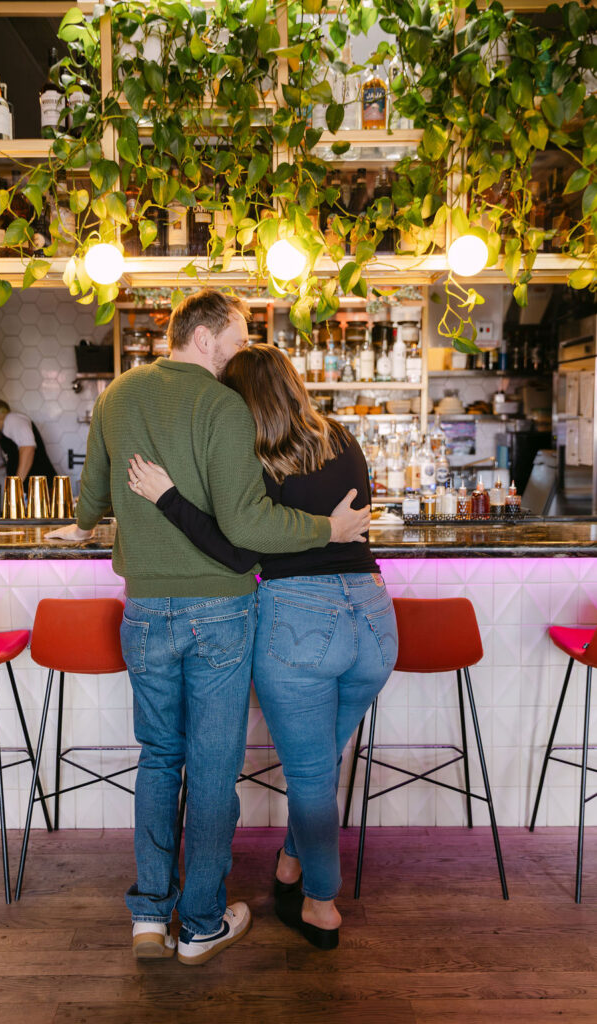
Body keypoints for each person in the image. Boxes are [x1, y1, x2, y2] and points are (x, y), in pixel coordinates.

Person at [45, 290, 370, 965]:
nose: (241, 345)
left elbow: (95, 497)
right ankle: (198, 924)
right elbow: (249, 527)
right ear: (208, 333)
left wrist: (78, 526)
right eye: (239, 331)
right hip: (220, 609)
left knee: (159, 758)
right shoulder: (224, 406)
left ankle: (146, 918)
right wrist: (327, 528)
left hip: (143, 608)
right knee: (214, 769)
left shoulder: (116, 397)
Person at [127, 343, 398, 951]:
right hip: (375, 618)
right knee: (322, 763)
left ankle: (322, 906)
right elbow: (360, 512)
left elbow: (238, 550)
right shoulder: (341, 436)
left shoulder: (253, 455)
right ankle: (290, 866)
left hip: (301, 618)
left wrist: (168, 497)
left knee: (308, 776)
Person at [0, 399, 57, 491]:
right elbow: (1, 460)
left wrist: (16, 486)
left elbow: (28, 448)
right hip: (32, 489)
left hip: (38, 489)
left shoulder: (12, 419)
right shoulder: (5, 430)